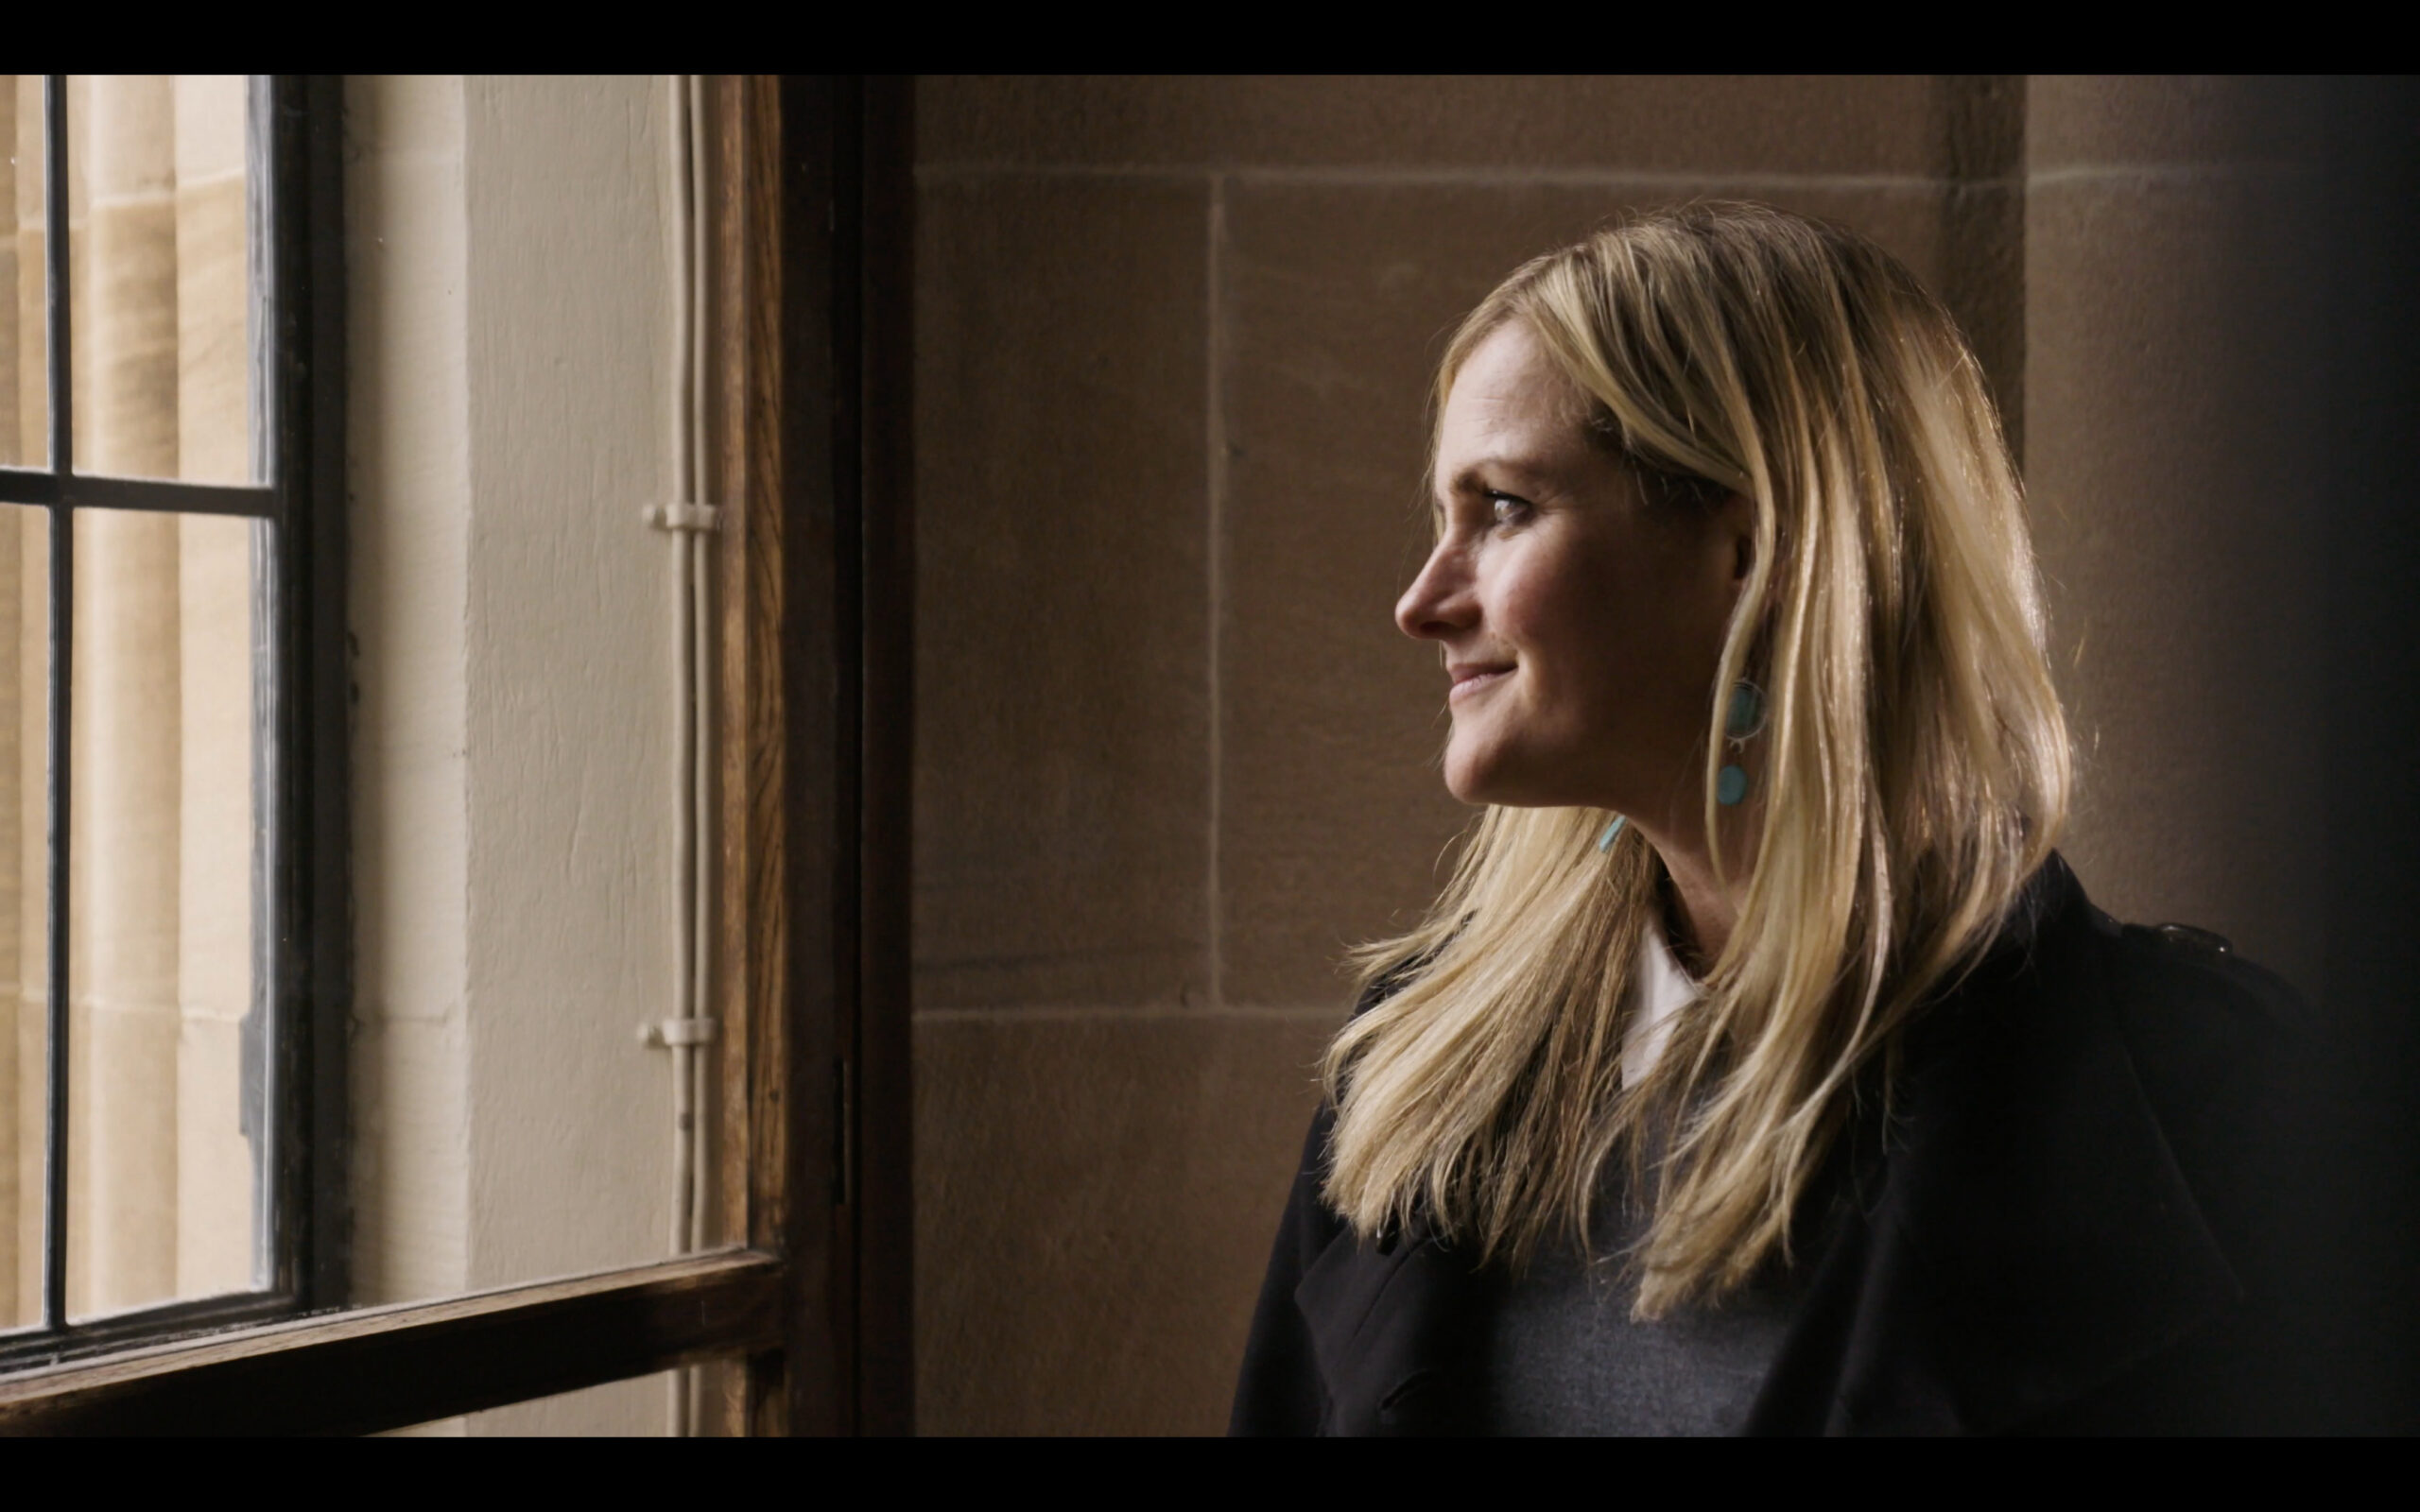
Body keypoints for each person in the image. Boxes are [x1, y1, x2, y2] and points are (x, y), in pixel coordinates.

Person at [1229, 203, 2352, 1435]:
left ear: (1751, 554)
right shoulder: (1413, 1073)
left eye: (1502, 508)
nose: (1421, 601)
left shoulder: (2217, 1107)